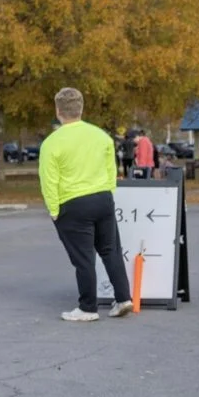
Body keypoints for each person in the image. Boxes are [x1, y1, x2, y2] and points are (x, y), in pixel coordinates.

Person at [39, 87, 134, 322]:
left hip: (72, 201)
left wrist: (53, 210)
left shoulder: (52, 143)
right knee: (110, 250)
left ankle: (88, 307)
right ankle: (123, 297)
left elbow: (49, 179)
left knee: (83, 258)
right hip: (102, 197)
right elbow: (111, 169)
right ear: (81, 108)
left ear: (58, 111)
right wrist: (108, 192)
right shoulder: (101, 136)